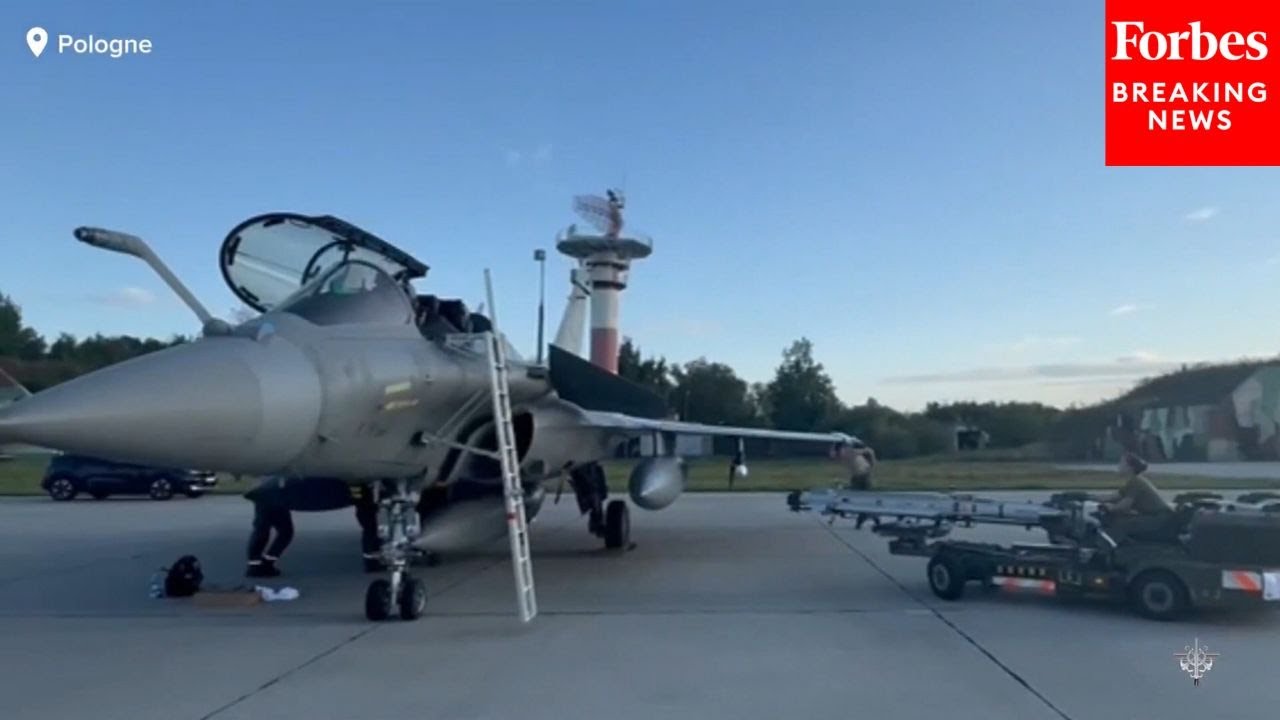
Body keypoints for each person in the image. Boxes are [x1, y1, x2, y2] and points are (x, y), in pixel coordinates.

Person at [1097, 452, 1175, 544]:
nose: (1119, 466)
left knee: (1122, 524)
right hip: (1158, 517)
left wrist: (1111, 508)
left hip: (1159, 519)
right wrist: (1088, 497)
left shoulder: (1135, 482)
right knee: (1123, 519)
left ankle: (1108, 548)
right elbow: (1113, 497)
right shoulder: (1134, 481)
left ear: (1130, 467)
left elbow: (1124, 506)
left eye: (1121, 463)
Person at [244, 477, 295, 578]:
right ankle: (265, 563)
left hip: (265, 490)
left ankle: (255, 565)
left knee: (262, 529)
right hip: (276, 492)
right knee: (285, 531)